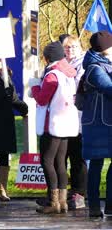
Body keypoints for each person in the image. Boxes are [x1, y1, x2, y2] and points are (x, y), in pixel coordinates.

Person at [29, 41, 79, 214]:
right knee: (60, 162)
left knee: (47, 161)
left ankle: (53, 202)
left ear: (48, 57)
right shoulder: (69, 73)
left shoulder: (52, 75)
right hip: (66, 122)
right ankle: (63, 202)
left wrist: (34, 86)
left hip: (52, 123)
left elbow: (42, 99)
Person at [0, 53, 28, 202]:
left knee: (4, 156)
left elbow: (13, 98)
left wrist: (23, 108)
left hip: (6, 121)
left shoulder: (6, 76)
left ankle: (3, 189)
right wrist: (4, 93)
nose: (0, 63)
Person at [80, 31, 112, 217]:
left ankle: (109, 204)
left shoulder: (106, 64)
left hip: (108, 123)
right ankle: (93, 206)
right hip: (98, 125)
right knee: (96, 166)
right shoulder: (94, 68)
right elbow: (109, 88)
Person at [62, 35, 87, 210]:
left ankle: (79, 193)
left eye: (73, 47)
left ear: (79, 48)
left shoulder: (84, 64)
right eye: (67, 47)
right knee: (62, 156)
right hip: (61, 117)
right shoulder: (60, 63)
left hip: (77, 117)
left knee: (78, 158)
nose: (70, 50)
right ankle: (60, 194)